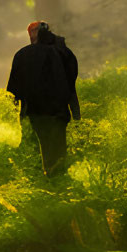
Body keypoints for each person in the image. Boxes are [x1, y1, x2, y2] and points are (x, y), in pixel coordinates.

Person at [6, 20, 77, 176]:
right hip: (58, 113)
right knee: (58, 154)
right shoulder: (63, 53)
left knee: (36, 153)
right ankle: (58, 186)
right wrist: (76, 113)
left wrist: (13, 116)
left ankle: (40, 186)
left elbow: (12, 91)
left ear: (33, 34)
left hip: (33, 113)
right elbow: (70, 85)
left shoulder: (22, 54)